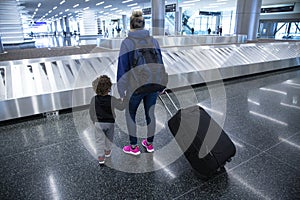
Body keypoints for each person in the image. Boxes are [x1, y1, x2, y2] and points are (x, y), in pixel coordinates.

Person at [117, 10, 165, 155]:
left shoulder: (127, 42)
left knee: (130, 114)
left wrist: (121, 90)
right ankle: (149, 144)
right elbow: (160, 63)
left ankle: (133, 147)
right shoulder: (153, 40)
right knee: (150, 114)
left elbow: (122, 67)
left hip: (135, 88)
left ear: (131, 25)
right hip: (153, 85)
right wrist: (162, 84)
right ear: (143, 25)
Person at [89, 75, 124, 165]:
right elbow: (121, 107)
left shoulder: (94, 99)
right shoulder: (112, 99)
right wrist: (124, 100)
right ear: (109, 88)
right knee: (109, 138)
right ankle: (107, 152)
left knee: (99, 140)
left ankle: (101, 157)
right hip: (110, 123)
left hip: (98, 123)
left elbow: (91, 112)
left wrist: (94, 121)